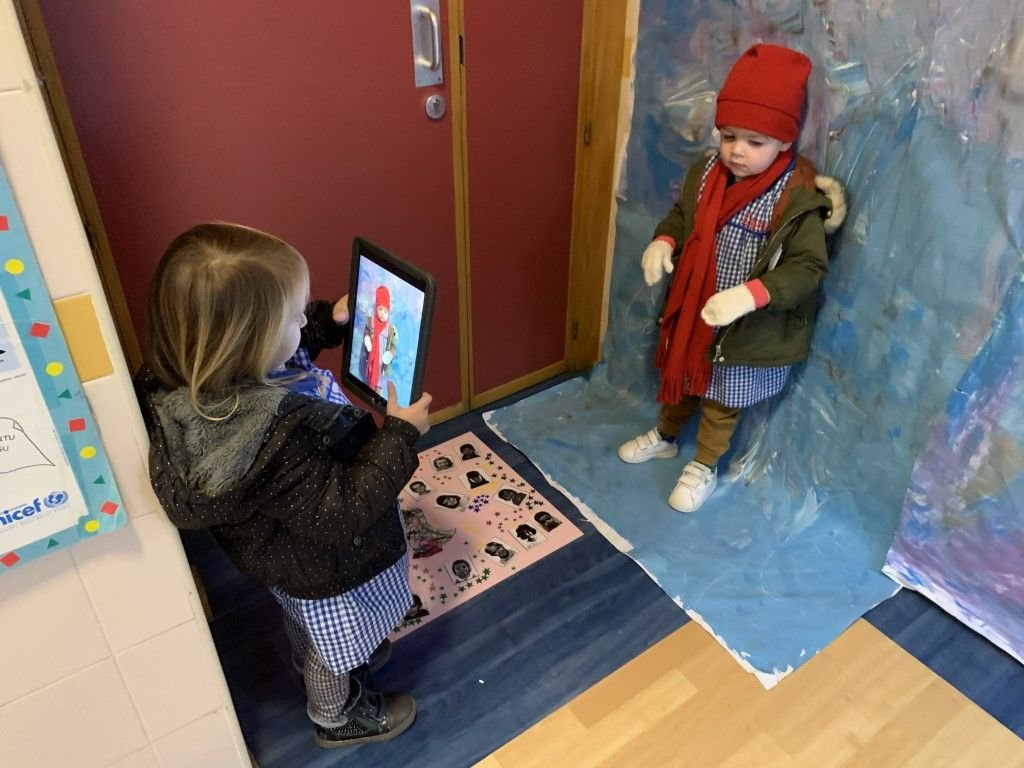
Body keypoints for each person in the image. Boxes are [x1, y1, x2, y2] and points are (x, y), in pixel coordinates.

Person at [136, 222, 432, 750]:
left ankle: (329, 662)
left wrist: (328, 321)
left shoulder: (216, 379)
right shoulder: (269, 440)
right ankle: (336, 715)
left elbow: (288, 353)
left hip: (290, 561)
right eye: (295, 316)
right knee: (331, 648)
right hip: (324, 566)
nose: (304, 318)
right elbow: (343, 510)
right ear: (250, 342)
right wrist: (402, 436)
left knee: (312, 626)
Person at [618, 44, 846, 513]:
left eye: (754, 142)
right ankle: (665, 435)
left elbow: (807, 269)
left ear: (784, 142)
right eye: (728, 136)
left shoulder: (797, 198)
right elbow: (683, 216)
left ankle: (703, 463)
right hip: (695, 312)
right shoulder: (706, 173)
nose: (736, 151)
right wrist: (664, 241)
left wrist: (751, 295)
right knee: (680, 378)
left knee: (721, 401)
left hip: (747, 327)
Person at [361, 284, 397, 395]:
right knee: (370, 374)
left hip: (382, 362)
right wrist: (367, 338)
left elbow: (393, 346)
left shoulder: (390, 329)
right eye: (380, 309)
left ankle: (377, 395)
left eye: (385, 311)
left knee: (379, 381)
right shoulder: (371, 321)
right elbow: (367, 330)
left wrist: (390, 354)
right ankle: (370, 389)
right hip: (371, 359)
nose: (382, 313)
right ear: (376, 307)